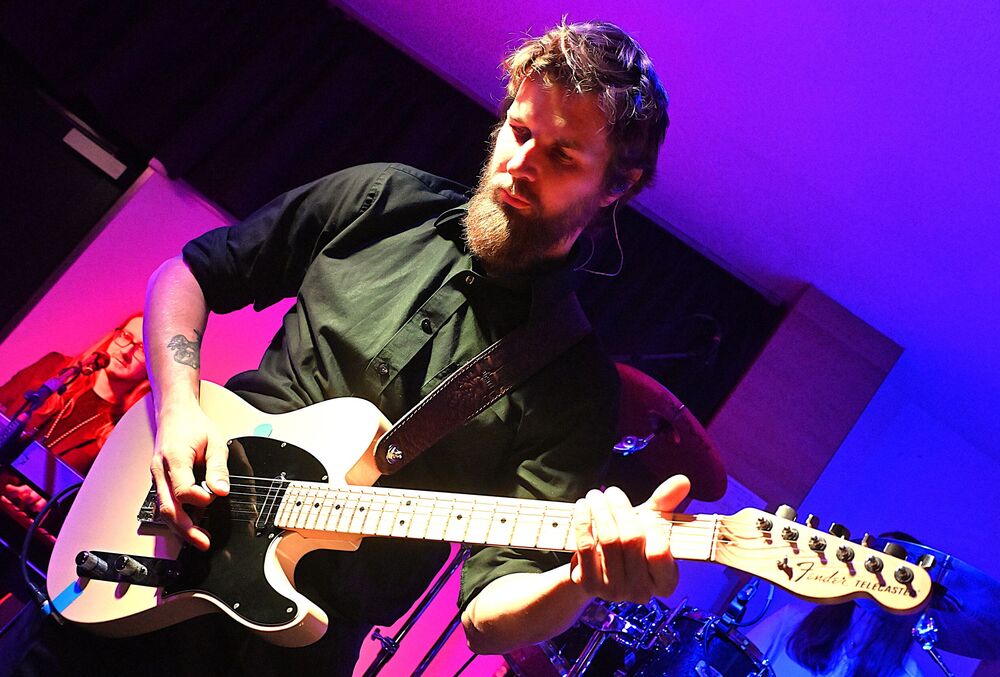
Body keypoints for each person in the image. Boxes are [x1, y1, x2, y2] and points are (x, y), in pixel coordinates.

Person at [16, 20, 683, 676]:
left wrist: (577, 581)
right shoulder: (381, 198)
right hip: (149, 551)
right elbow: (189, 275)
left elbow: (487, 617)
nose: (519, 163)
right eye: (519, 129)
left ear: (616, 185)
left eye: (562, 157)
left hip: (288, 653)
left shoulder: (574, 386)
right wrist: (179, 410)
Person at [0, 313, 150, 515]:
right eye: (126, 336)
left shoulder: (124, 431)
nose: (125, 351)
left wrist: (49, 504)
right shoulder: (53, 369)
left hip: (18, 518)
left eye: (141, 349)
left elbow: (91, 505)